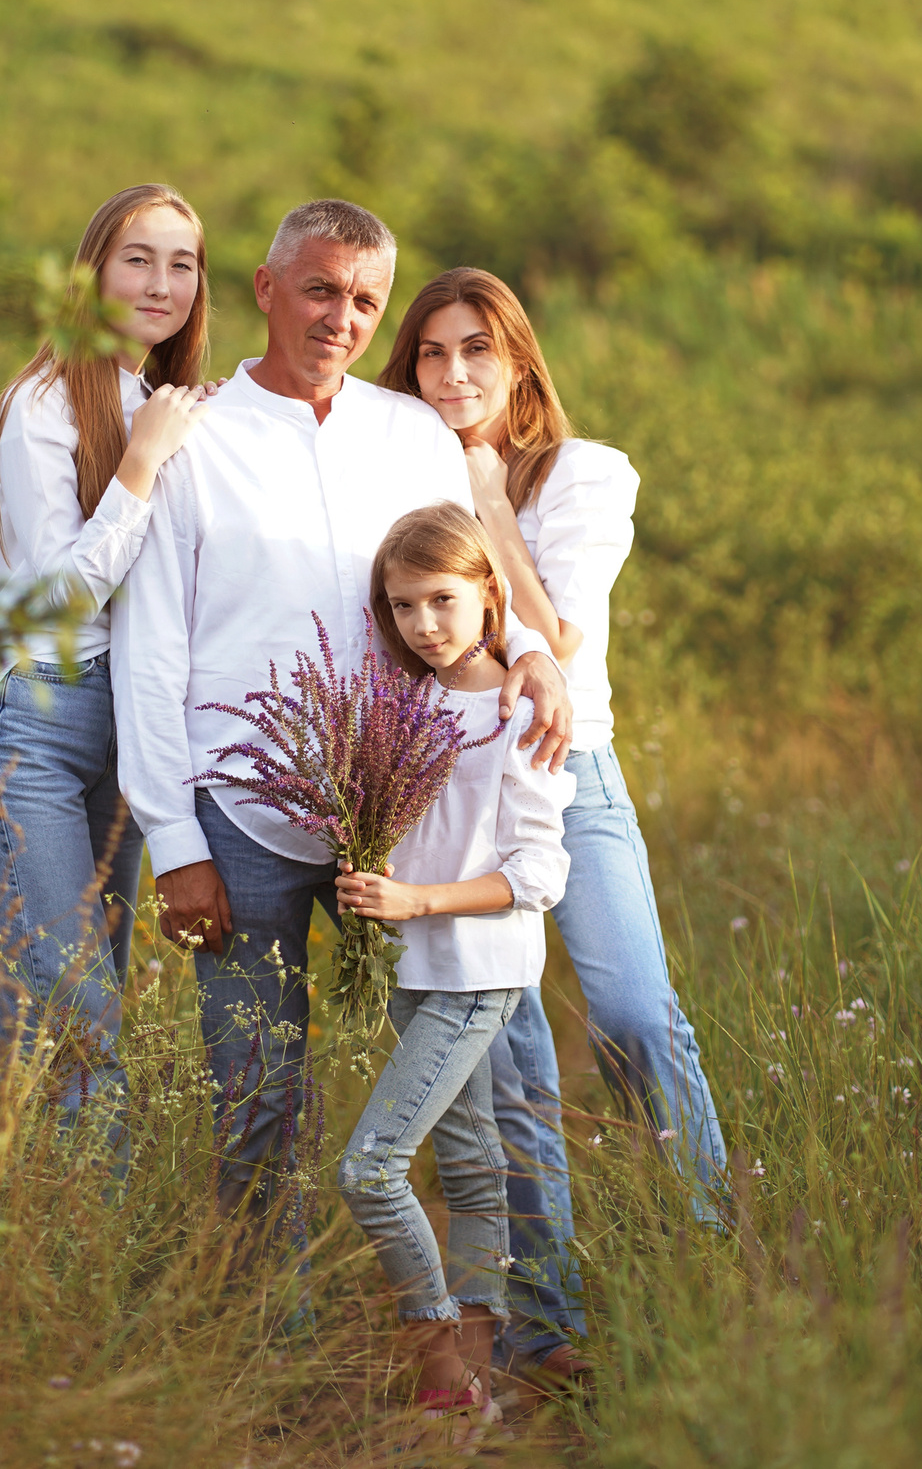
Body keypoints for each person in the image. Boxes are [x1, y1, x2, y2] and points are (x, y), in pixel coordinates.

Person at [110, 199, 575, 1244]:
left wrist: (536, 657)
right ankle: (272, 1362)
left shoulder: (410, 432)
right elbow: (150, 655)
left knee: (488, 1073)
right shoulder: (193, 437)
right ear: (266, 288)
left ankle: (533, 1325)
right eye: (319, 289)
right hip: (241, 822)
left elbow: (480, 581)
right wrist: (176, 843)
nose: (341, 317)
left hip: (412, 817)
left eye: (365, 299)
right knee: (258, 1099)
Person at [380, 265, 730, 1393]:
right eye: (431, 352)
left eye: (476, 348)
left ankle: (707, 1252)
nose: (453, 373)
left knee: (631, 1010)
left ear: (519, 358)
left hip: (565, 771)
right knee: (512, 1056)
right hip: (451, 789)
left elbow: (560, 642)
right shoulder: (396, 472)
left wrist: (487, 502)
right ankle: (547, 1327)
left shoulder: (584, 476)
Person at [0, 184, 211, 1123]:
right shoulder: (42, 404)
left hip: (130, 729)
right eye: (138, 258)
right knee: (77, 1023)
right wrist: (142, 463)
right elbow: (58, 597)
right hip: (36, 722)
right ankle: (57, 1253)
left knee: (60, 1017)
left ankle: (25, 1240)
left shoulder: (159, 403)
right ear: (93, 269)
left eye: (182, 263)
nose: (161, 282)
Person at [334, 504, 574, 1415]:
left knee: (370, 1165)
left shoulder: (524, 708)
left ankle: (435, 1352)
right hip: (413, 964)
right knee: (471, 1168)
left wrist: (420, 899)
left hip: (478, 971)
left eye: (443, 599)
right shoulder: (403, 700)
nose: (425, 625)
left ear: (489, 596)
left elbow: (537, 871)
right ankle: (477, 1378)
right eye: (402, 607)